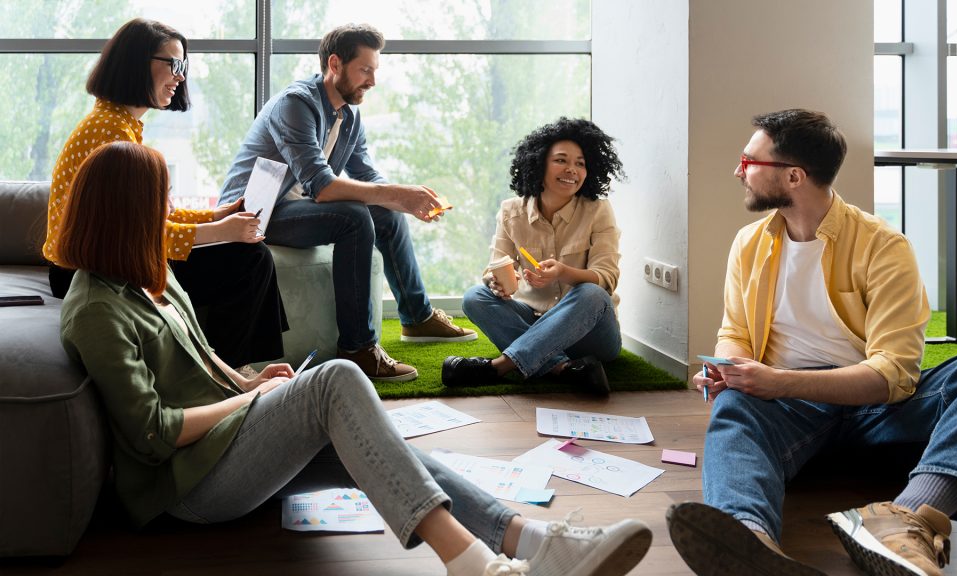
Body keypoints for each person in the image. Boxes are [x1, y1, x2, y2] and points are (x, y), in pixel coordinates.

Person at [55, 140, 652, 576]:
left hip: (226, 436)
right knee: (338, 378)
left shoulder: (148, 276)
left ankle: (532, 542)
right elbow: (153, 434)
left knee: (377, 445)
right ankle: (477, 567)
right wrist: (249, 398)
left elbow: (201, 356)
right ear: (127, 214)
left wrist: (249, 377)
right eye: (157, 206)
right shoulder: (96, 309)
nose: (169, 218)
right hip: (187, 488)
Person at [665, 109, 957, 576]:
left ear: (794, 176)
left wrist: (777, 382)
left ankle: (906, 521)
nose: (739, 171)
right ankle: (744, 540)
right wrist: (731, 369)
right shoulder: (749, 243)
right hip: (789, 413)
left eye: (748, 161)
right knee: (735, 405)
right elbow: (735, 332)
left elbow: (893, 376)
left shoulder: (882, 246)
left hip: (877, 411)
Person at [217, 23, 475, 383]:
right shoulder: (296, 104)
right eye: (365, 70)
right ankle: (358, 348)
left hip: (300, 209)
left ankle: (417, 317)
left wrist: (408, 202)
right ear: (335, 64)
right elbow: (321, 186)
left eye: (374, 71)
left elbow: (369, 178)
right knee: (354, 216)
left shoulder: (350, 117)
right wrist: (398, 193)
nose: (372, 81)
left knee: (385, 213)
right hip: (258, 212)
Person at [43, 18, 287, 369]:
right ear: (137, 63)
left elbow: (151, 216)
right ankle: (230, 370)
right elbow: (138, 235)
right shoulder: (110, 133)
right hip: (87, 270)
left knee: (250, 255)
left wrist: (216, 216)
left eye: (183, 65)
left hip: (104, 259)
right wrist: (223, 231)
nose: (181, 76)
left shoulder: (120, 123)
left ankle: (234, 365)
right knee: (249, 259)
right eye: (173, 64)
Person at [442, 118, 625, 396]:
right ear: (539, 164)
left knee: (593, 294)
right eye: (561, 161)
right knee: (474, 297)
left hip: (591, 334)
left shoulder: (598, 210)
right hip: (532, 322)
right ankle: (563, 369)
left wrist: (563, 272)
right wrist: (498, 282)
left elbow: (606, 277)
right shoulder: (510, 211)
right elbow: (495, 266)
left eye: (580, 163)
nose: (571, 171)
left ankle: (498, 367)